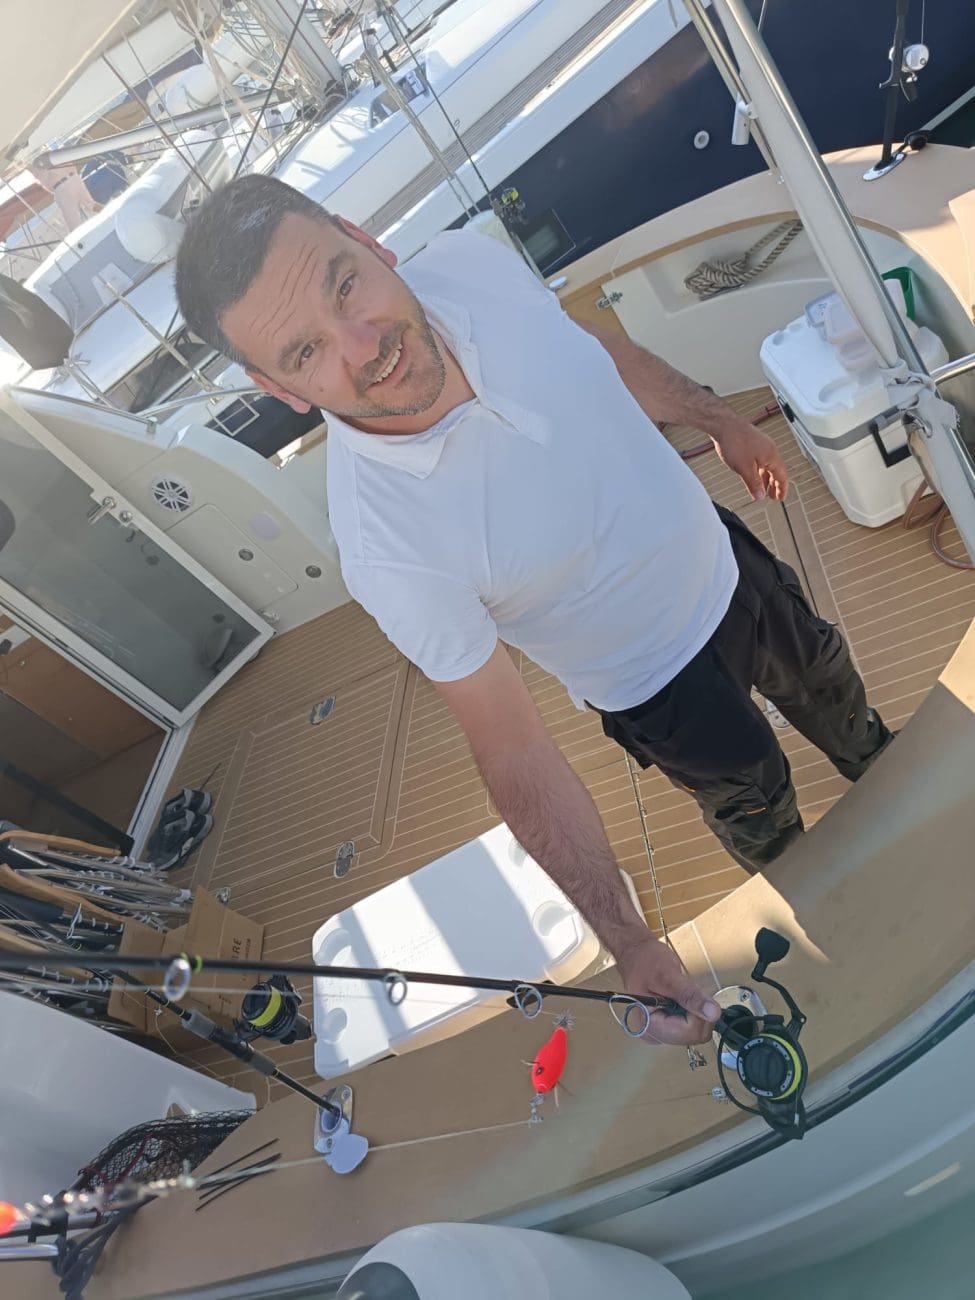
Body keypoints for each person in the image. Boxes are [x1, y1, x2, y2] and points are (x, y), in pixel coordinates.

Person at [175, 175, 894, 1047]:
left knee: (836, 693)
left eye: (344, 284)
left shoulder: (469, 264)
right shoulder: (385, 549)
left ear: (366, 240)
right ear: (280, 389)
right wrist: (627, 940)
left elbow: (590, 350)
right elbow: (510, 747)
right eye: (305, 353)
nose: (363, 347)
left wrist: (716, 419)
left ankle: (890, 772)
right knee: (758, 804)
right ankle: (831, 904)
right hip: (654, 686)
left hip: (723, 560)